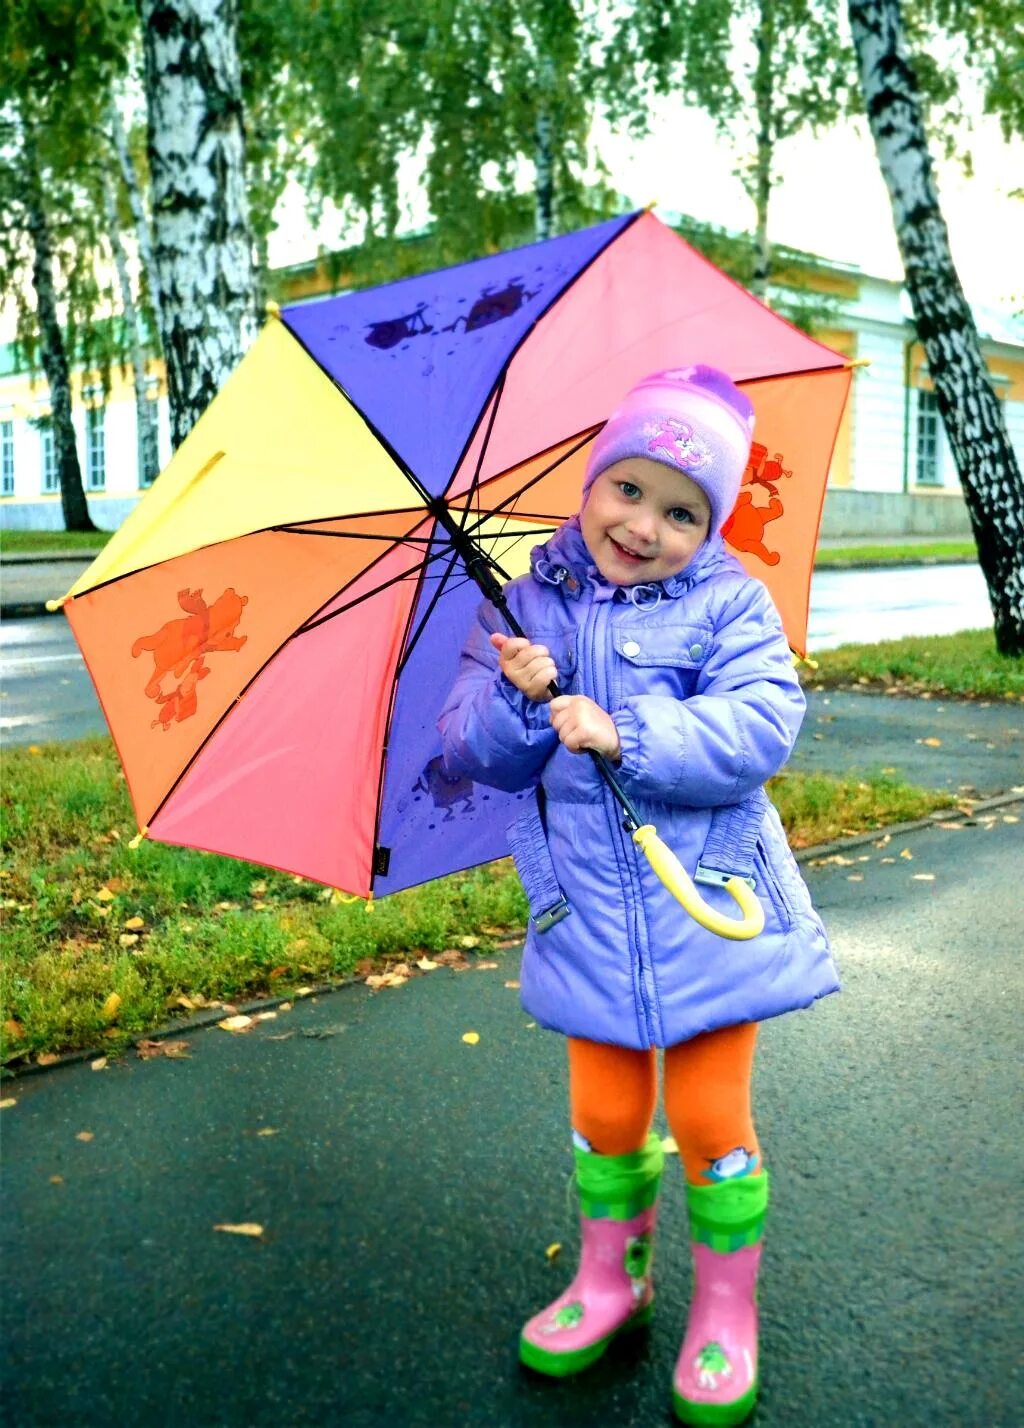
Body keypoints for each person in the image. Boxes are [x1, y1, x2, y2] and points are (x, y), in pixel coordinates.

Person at [438, 365, 838, 1426]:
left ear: (707, 526)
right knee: (607, 1114)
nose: (644, 524)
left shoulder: (728, 603)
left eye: (681, 510)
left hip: (708, 900)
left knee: (708, 1116)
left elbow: (761, 727)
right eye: (628, 489)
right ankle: (612, 1282)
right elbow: (468, 742)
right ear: (591, 477)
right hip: (587, 914)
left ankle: (722, 1308)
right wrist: (523, 703)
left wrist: (630, 731)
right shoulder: (525, 605)